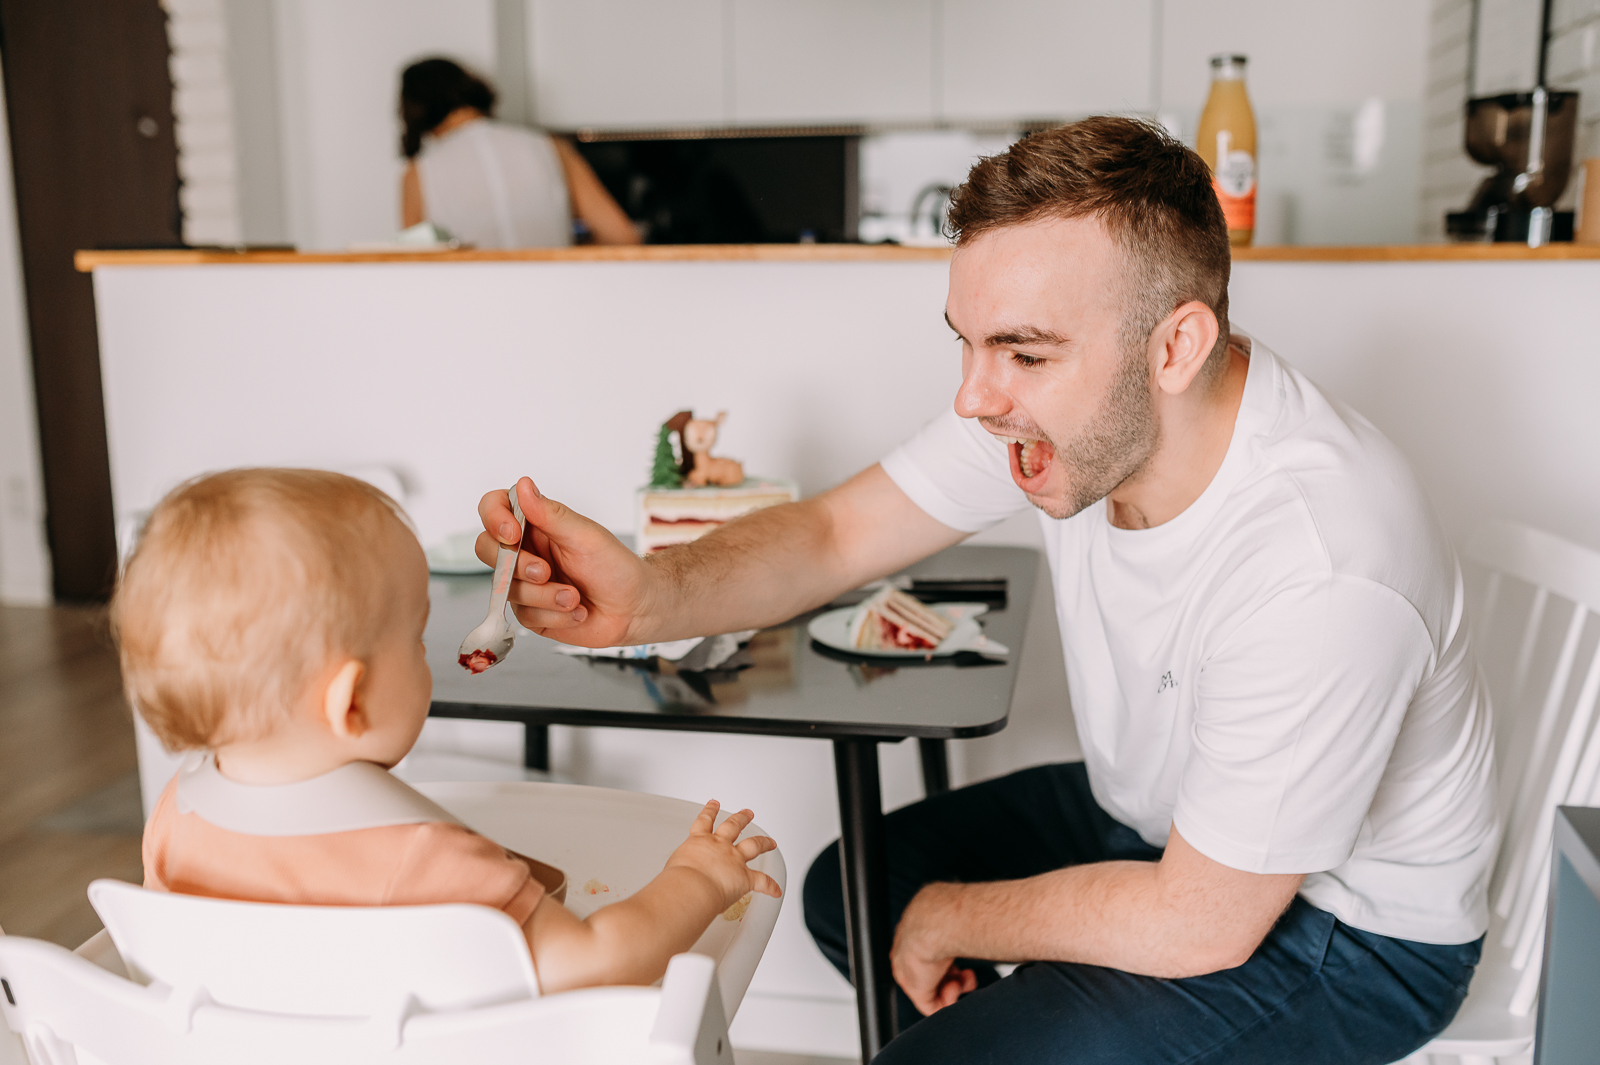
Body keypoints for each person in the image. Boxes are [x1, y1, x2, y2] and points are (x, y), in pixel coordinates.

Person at [473, 116, 1497, 1063]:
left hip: (1350, 934)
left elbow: (1202, 921)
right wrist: (647, 595)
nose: (974, 395)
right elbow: (835, 532)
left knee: (932, 1005)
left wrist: (955, 917)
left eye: (1022, 351)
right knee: (849, 895)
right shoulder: (1069, 417)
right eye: (965, 342)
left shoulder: (1320, 561)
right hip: (1166, 826)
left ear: (1175, 346)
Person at [113, 468, 778, 993]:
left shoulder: (177, 814)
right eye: (414, 635)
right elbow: (595, 959)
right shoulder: (426, 860)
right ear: (351, 703)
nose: (426, 651)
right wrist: (699, 875)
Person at [398, 58, 640, 248]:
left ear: (413, 110)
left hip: (470, 304)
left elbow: (415, 264)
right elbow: (622, 236)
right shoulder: (550, 147)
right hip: (554, 296)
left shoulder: (419, 172)